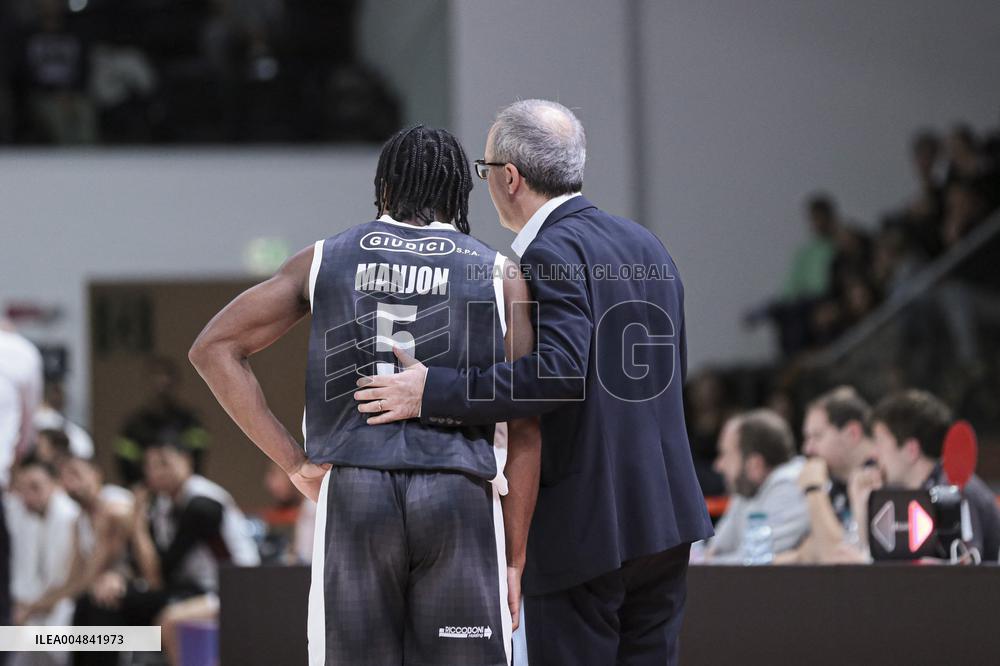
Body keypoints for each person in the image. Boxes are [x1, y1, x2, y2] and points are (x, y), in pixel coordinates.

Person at [354, 100, 712, 665]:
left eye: (485, 169)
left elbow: (558, 374)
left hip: (587, 525)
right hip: (666, 515)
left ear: (510, 177)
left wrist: (433, 391)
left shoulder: (547, 252)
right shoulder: (647, 245)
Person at [189, 125, 541, 666]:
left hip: (357, 490)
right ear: (458, 193)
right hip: (458, 492)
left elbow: (213, 348)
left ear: (384, 189)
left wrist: (292, 463)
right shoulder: (499, 273)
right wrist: (514, 558)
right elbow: (525, 423)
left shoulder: (327, 257)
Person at [851, 389, 1000, 562]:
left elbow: (967, 569)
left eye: (879, 442)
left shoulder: (953, 490)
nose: (873, 454)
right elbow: (874, 563)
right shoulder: (899, 496)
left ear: (911, 450)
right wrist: (861, 508)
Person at [776, 387, 873, 564]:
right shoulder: (836, 484)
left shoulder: (879, 481)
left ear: (852, 433)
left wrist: (813, 489)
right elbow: (811, 549)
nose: (808, 449)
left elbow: (833, 557)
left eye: (817, 437)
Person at [706, 410, 808, 563]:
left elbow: (754, 563)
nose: (718, 466)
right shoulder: (746, 486)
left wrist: (708, 560)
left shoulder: (789, 486)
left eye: (724, 454)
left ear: (755, 465)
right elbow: (715, 549)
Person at [7, 454, 79, 666]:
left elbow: (63, 581)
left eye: (35, 487)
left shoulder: (69, 516)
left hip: (60, 605)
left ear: (55, 484)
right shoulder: (22, 514)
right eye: (22, 488)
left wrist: (29, 608)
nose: (27, 496)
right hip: (29, 605)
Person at [115, 356, 210, 485]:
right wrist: (139, 485)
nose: (160, 382)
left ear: (175, 382)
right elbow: (125, 460)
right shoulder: (134, 425)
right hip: (146, 489)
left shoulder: (190, 420)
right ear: (147, 382)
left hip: (183, 485)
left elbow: (198, 454)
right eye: (155, 376)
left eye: (165, 376)